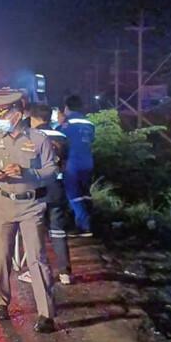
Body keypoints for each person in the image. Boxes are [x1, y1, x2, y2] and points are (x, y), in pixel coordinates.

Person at [0, 95, 58, 333]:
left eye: (4, 114)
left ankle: (46, 314)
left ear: (17, 113)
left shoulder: (39, 139)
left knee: (36, 258)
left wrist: (28, 172)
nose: (1, 120)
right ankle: (0, 303)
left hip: (31, 205)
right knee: (0, 256)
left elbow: (51, 170)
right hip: (3, 203)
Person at [18, 104, 73, 286]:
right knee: (58, 230)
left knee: (35, 232)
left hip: (37, 188)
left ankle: (37, 272)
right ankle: (65, 273)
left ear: (33, 118)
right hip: (57, 186)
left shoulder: (30, 136)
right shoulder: (62, 136)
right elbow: (64, 162)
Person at [60, 95, 96, 237]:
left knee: (73, 195)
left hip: (72, 163)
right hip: (88, 162)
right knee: (85, 194)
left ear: (67, 107)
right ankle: (90, 223)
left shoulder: (67, 124)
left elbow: (59, 139)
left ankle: (83, 227)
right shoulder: (90, 124)